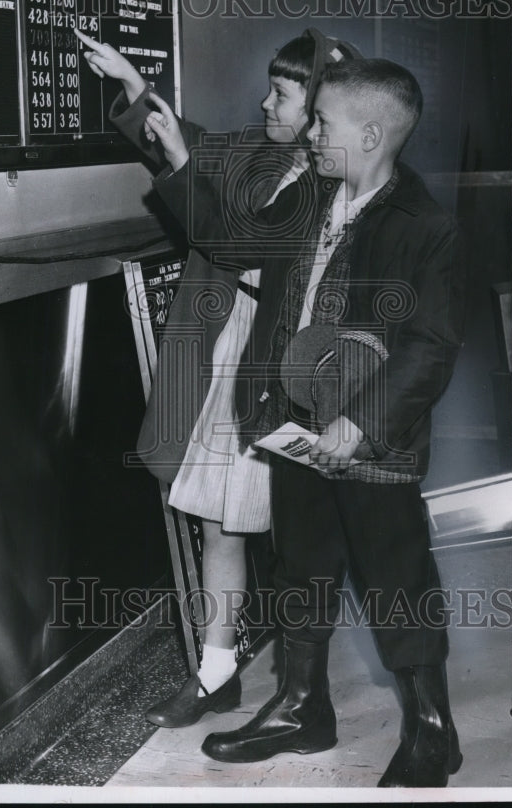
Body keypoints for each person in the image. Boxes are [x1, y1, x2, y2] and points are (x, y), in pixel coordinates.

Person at [178, 57, 466, 788]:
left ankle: (432, 730)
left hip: (373, 447)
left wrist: (363, 423)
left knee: (394, 575)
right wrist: (166, 151)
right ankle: (302, 707)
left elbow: (429, 347)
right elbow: (230, 238)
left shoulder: (423, 227)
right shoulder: (310, 198)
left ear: (370, 135)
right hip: (297, 431)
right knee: (299, 569)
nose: (309, 131)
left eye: (323, 121)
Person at [73, 25, 362, 727]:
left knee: (298, 542)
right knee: (218, 526)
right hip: (229, 368)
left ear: (323, 112)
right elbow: (194, 144)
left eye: (284, 96)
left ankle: (302, 694)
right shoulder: (263, 155)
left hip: (283, 378)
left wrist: (178, 162)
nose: (266, 104)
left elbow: (236, 244)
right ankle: (217, 671)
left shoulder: (336, 186)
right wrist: (135, 87)